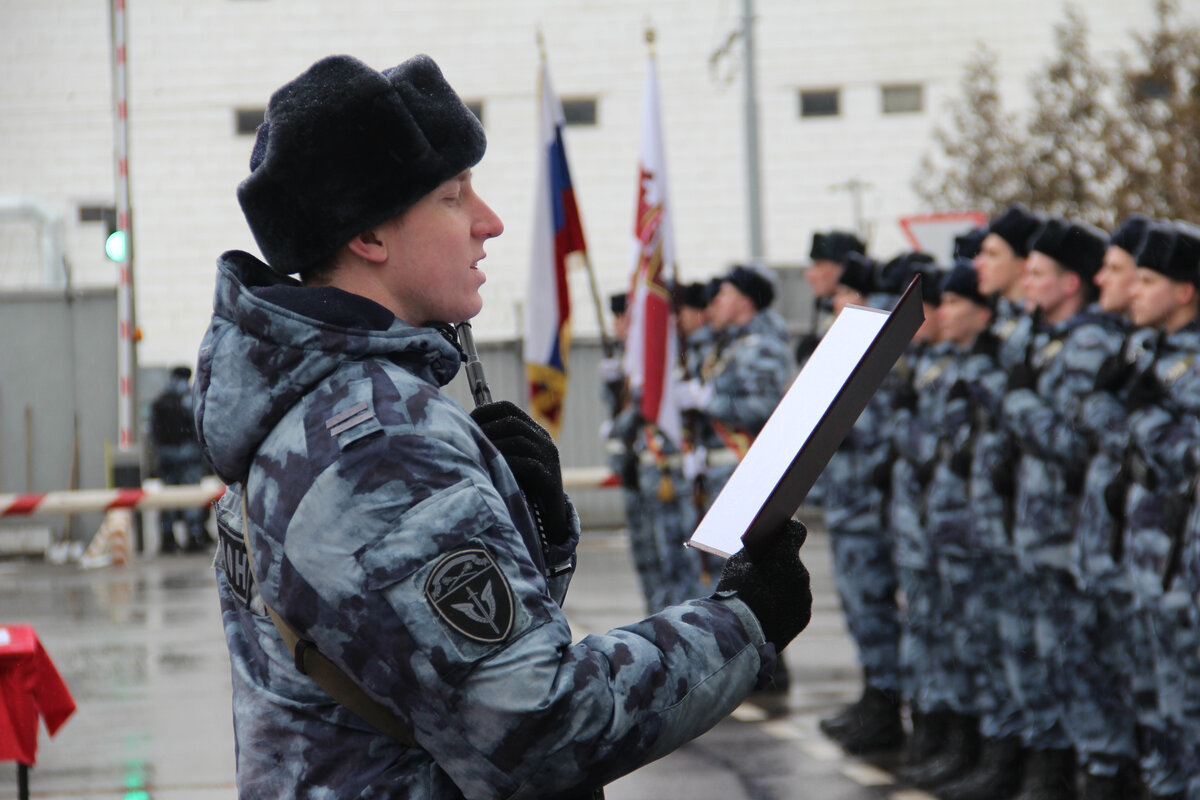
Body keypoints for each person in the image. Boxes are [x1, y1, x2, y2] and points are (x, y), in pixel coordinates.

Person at [195, 54, 812, 799]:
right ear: (369, 237)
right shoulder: (380, 446)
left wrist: (533, 537)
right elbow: (542, 729)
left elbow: (425, 663)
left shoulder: (301, 402)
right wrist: (744, 620)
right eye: (454, 198)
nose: (489, 223)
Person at [999, 217, 1124, 800]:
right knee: (1048, 659)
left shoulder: (1090, 342)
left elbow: (1074, 445)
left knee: (1082, 663)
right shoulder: (1038, 335)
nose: (1027, 281)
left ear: (1071, 283)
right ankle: (1066, 768)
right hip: (1039, 531)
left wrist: (1020, 402)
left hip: (1071, 535)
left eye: (1039, 272)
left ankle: (1101, 772)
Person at [1110, 221, 1200, 800]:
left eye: (1149, 280)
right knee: (1157, 705)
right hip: (1148, 558)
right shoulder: (1151, 351)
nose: (1134, 291)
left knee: (1187, 707)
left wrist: (1142, 417)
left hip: (1183, 568)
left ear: (1185, 290)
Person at [816, 254, 907, 755]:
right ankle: (875, 695)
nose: (834, 304)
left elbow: (869, 430)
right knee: (858, 609)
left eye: (843, 295)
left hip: (869, 507)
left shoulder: (876, 356)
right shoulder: (852, 351)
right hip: (849, 505)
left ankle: (888, 703)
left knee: (874, 608)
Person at [149, 365, 211, 553]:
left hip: (167, 458)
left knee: (168, 501)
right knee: (191, 499)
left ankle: (168, 538)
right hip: (188, 458)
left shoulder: (161, 400)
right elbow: (199, 428)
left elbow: (153, 433)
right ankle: (193, 536)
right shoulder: (189, 398)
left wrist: (162, 452)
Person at [796, 230, 866, 366]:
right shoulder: (830, 314)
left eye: (818, 265)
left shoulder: (874, 314)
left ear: (843, 268)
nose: (809, 275)